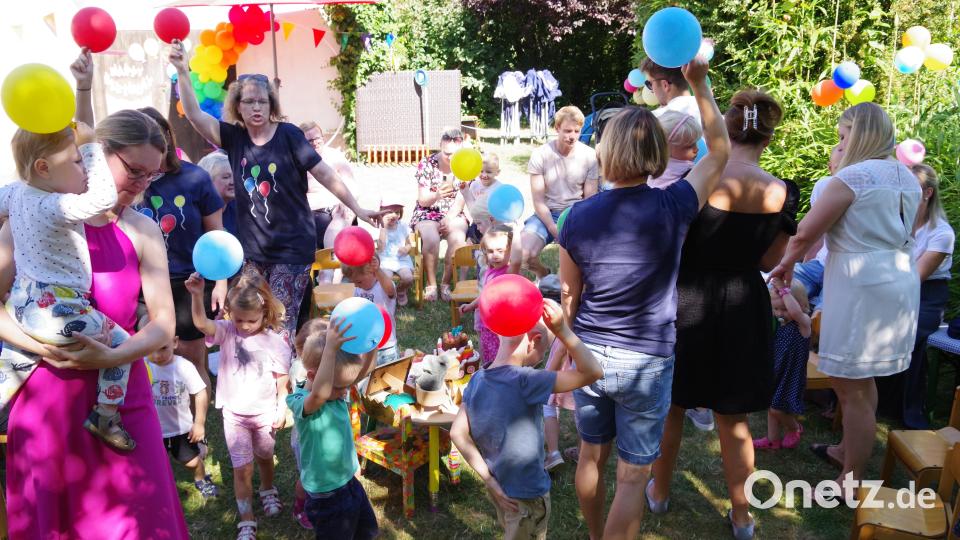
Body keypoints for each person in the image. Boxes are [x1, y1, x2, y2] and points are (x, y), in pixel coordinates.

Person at [558, 56, 729, 540]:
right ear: (656, 150)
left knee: (592, 455)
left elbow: (571, 296)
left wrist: (562, 348)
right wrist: (700, 83)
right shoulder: (674, 205)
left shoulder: (576, 218)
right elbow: (719, 150)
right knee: (633, 476)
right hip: (647, 359)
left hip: (588, 353)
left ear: (605, 152)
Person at [3, 106, 186, 538]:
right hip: (48, 401)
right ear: (96, 155)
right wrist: (42, 347)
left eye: (151, 176)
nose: (141, 185)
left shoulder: (142, 230)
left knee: (139, 520)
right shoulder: (36, 218)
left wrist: (114, 353)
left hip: (120, 404)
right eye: (134, 171)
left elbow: (164, 325)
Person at [170, 41, 382, 345]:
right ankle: (266, 380)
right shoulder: (233, 138)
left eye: (262, 102)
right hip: (253, 254)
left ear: (271, 105)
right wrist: (182, 70)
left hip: (291, 250)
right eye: (249, 102)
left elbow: (324, 173)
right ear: (238, 107)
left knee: (280, 323)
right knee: (251, 320)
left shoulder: (290, 136)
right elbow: (193, 115)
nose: (256, 107)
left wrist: (358, 209)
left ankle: (282, 384)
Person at [651, 90, 794, 539]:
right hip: (743, 302)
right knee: (733, 419)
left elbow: (671, 241)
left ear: (725, 130)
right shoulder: (780, 190)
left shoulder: (702, 177)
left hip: (689, 296)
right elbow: (770, 262)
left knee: (672, 406)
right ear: (768, 139)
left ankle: (658, 492)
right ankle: (742, 516)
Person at [767, 102, 921, 487]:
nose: (839, 144)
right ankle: (846, 452)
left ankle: (849, 479)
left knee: (850, 386)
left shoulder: (852, 178)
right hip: (899, 279)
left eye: (842, 136)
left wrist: (783, 267)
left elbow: (805, 234)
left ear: (861, 135)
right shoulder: (907, 178)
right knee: (860, 380)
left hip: (859, 285)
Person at [0, 121, 138, 451]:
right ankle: (105, 414)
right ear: (43, 168)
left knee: (15, 361)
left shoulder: (16, 193)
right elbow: (103, 197)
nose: (85, 168)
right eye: (76, 161)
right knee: (121, 346)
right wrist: (90, 145)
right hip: (59, 309)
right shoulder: (54, 206)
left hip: (21, 304)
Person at [451, 300, 603, 540]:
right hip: (527, 495)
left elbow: (457, 433)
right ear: (534, 341)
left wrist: (489, 481)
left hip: (499, 486)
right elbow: (593, 371)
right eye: (544, 351)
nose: (542, 358)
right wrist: (563, 330)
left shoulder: (478, 378)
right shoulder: (527, 381)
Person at [186, 272, 291, 539]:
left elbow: (282, 382)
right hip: (234, 415)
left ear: (265, 314)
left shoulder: (275, 343)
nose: (244, 326)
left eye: (251, 320)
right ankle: (246, 517)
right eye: (239, 319)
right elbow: (201, 324)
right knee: (241, 467)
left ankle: (268, 489)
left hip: (265, 414)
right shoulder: (227, 332)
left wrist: (281, 407)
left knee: (266, 456)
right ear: (231, 314)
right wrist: (197, 296)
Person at [134, 107, 226, 391]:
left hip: (189, 282)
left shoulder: (195, 178)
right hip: (143, 283)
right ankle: (164, 428)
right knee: (152, 359)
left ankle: (195, 432)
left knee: (190, 359)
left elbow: (217, 235)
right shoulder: (132, 182)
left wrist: (221, 282)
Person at [287, 319, 378, 539]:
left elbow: (360, 373)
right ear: (312, 376)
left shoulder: (335, 389)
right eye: (340, 387)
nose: (345, 392)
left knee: (367, 532)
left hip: (348, 481)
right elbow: (319, 394)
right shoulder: (301, 400)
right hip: (326, 494)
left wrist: (372, 343)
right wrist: (330, 350)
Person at [893, 163, 954, 428]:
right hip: (894, 290)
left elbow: (914, 277)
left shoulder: (942, 233)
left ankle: (909, 409)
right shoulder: (895, 222)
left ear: (927, 193)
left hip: (926, 297)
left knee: (908, 333)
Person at [521, 106, 599, 280]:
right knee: (523, 255)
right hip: (546, 215)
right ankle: (543, 273)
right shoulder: (540, 154)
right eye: (567, 131)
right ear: (557, 128)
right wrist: (553, 228)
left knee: (577, 270)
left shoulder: (590, 156)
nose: (572, 136)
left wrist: (573, 226)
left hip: (576, 214)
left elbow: (590, 201)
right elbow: (538, 201)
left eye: (576, 131)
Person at [146, 334, 218, 498]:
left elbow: (200, 392)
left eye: (163, 348)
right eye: (152, 350)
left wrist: (199, 423)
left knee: (192, 461)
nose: (157, 356)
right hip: (154, 429)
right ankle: (161, 487)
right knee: (155, 462)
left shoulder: (183, 366)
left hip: (181, 428)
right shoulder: (144, 364)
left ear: (175, 342)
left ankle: (201, 479)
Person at [410, 128, 469, 301]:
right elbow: (422, 200)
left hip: (453, 211)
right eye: (446, 153)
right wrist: (437, 195)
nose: (450, 158)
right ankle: (431, 284)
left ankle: (445, 283)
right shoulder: (427, 164)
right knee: (431, 238)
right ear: (440, 146)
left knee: (458, 238)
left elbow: (461, 199)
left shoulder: (464, 165)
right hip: (428, 211)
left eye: (454, 154)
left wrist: (449, 217)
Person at [752, 279, 812, 450]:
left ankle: (794, 428)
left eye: (784, 309)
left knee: (777, 408)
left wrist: (783, 290)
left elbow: (794, 312)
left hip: (791, 374)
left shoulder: (803, 323)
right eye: (776, 309)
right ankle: (773, 440)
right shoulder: (780, 323)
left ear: (801, 304)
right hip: (777, 370)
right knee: (771, 407)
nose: (779, 313)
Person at [459, 224, 522, 367]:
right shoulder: (489, 271)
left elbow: (517, 261)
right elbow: (485, 294)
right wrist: (471, 306)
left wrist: (517, 232)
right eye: (490, 251)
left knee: (499, 360)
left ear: (510, 251)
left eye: (501, 250)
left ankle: (497, 376)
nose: (495, 255)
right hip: (486, 323)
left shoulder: (508, 273)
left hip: (499, 327)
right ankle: (487, 370)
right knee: (486, 353)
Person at [300, 121, 358, 259]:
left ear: (323, 137)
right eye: (309, 140)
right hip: (312, 212)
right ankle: (328, 269)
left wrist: (347, 203)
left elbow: (351, 184)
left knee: (344, 216)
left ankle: (330, 269)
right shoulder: (297, 161)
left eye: (317, 138)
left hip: (337, 208)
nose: (314, 143)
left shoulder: (335, 156)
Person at [341, 254, 399, 365]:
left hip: (386, 347)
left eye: (358, 281)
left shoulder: (383, 286)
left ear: (373, 273)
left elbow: (391, 291)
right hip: (366, 346)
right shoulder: (358, 290)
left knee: (388, 377)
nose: (356, 285)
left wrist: (378, 270)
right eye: (353, 282)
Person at [649, 111, 702, 189]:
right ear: (666, 149)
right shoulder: (686, 172)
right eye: (689, 146)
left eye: (695, 143)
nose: (696, 149)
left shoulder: (653, 169)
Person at [377, 198, 415, 306]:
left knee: (408, 278)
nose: (393, 215)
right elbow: (380, 248)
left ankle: (401, 290)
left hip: (401, 259)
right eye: (389, 212)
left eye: (397, 212)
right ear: (380, 213)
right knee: (386, 278)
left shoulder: (402, 226)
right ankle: (389, 293)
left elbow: (409, 243)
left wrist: (406, 248)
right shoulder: (379, 227)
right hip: (385, 260)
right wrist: (383, 228)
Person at [461, 153, 504, 243]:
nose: (484, 175)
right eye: (481, 171)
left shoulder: (499, 188)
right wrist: (466, 193)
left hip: (493, 225)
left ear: (497, 172)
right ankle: (471, 255)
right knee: (469, 242)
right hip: (477, 223)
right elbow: (471, 205)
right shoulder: (474, 185)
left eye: (488, 172)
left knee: (489, 245)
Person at [198, 150, 238, 237]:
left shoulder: (238, 208)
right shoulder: (196, 213)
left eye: (234, 175)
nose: (233, 182)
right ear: (208, 181)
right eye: (226, 177)